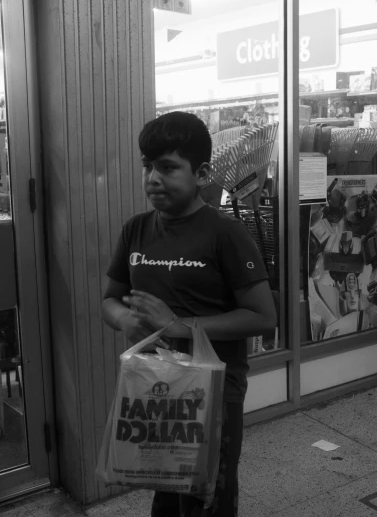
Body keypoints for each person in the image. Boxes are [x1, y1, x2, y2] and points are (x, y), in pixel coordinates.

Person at [101, 111, 277, 516]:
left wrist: (181, 326)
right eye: (147, 166)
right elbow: (110, 299)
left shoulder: (226, 233)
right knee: (163, 488)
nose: (152, 178)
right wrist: (123, 319)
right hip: (154, 386)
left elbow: (263, 316)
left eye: (167, 167)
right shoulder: (135, 230)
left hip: (213, 390)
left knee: (208, 493)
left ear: (201, 173)